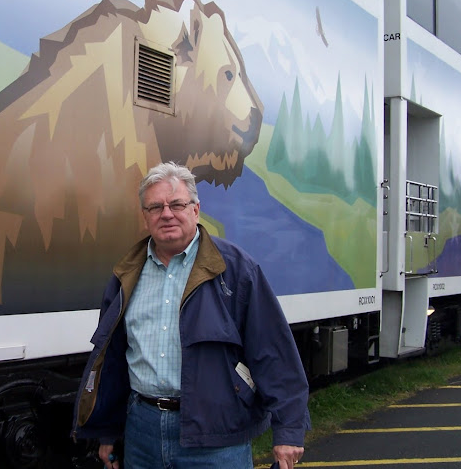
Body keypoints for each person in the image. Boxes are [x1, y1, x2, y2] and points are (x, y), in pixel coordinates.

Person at [72, 162, 310, 469]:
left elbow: (273, 351)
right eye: (155, 207)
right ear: (145, 217)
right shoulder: (126, 275)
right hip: (142, 434)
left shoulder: (236, 271)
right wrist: (107, 433)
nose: (166, 214)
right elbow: (114, 359)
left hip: (216, 438)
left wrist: (288, 430)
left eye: (177, 204)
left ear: (196, 210)